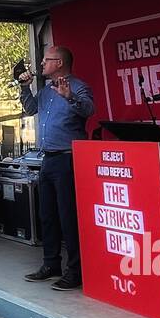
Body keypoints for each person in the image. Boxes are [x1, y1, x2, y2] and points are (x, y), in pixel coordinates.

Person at [18, 45, 94, 290]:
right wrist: (24, 87)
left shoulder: (78, 86)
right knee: (47, 215)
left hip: (68, 158)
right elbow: (30, 109)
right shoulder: (46, 90)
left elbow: (89, 110)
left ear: (59, 63)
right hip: (47, 158)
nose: (42, 64)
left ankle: (76, 270)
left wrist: (69, 96)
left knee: (67, 216)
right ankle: (51, 264)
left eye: (46, 60)